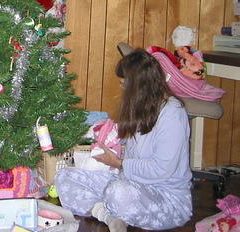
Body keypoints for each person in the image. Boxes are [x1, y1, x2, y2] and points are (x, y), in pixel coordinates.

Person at [54, 49, 192, 231]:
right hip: (129, 181)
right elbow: (133, 144)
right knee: (64, 177)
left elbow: (161, 170)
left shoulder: (172, 114)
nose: (122, 89)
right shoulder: (144, 106)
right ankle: (109, 216)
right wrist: (106, 136)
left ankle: (110, 208)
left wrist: (119, 163)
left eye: (123, 84)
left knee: (118, 192)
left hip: (166, 199)